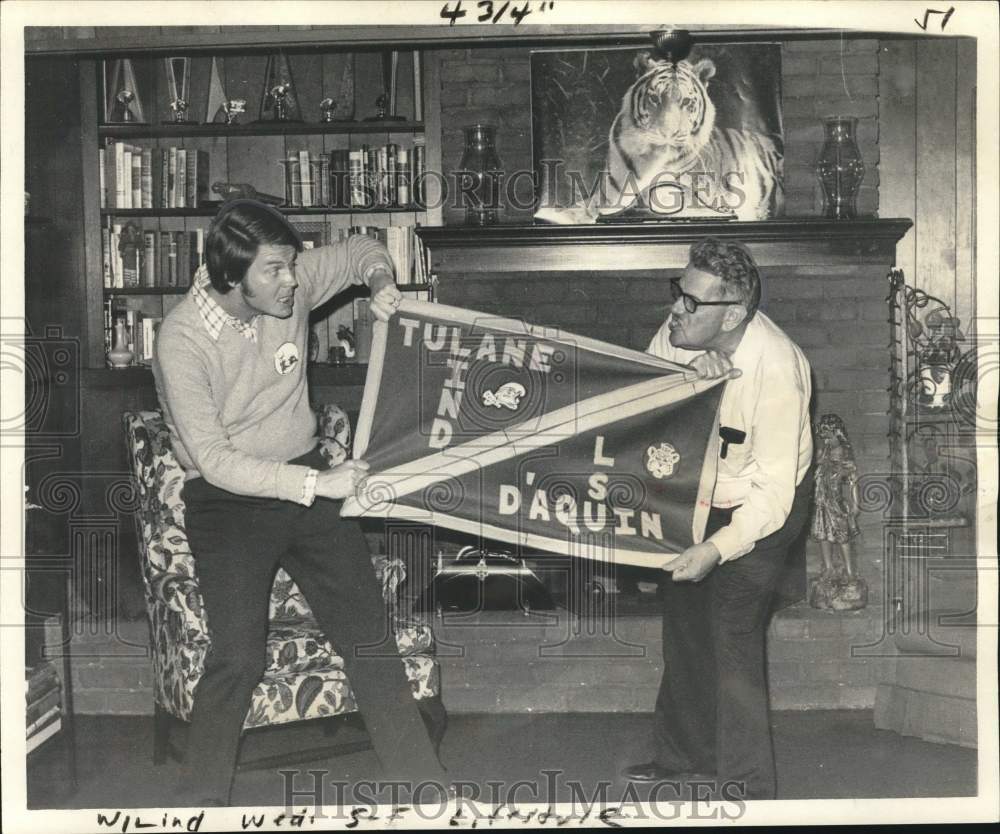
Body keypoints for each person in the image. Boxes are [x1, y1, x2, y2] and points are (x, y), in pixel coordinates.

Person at [152, 200, 447, 806]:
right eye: (276, 271)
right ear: (232, 278)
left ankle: (427, 798)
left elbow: (365, 250)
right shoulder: (181, 340)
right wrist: (319, 485)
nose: (293, 281)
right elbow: (216, 461)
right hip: (228, 502)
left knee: (369, 638)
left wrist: (382, 284)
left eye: (292, 266)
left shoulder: (288, 280)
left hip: (309, 479)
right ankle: (196, 810)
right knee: (237, 656)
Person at [623, 237, 813, 800]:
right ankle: (683, 757)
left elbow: (773, 497)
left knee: (732, 635)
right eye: (677, 293)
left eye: (690, 302)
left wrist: (715, 549)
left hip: (763, 507)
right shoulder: (678, 336)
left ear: (732, 315)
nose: (675, 310)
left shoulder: (777, 368)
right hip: (698, 493)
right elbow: (647, 393)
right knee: (683, 626)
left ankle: (750, 787)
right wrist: (689, 375)